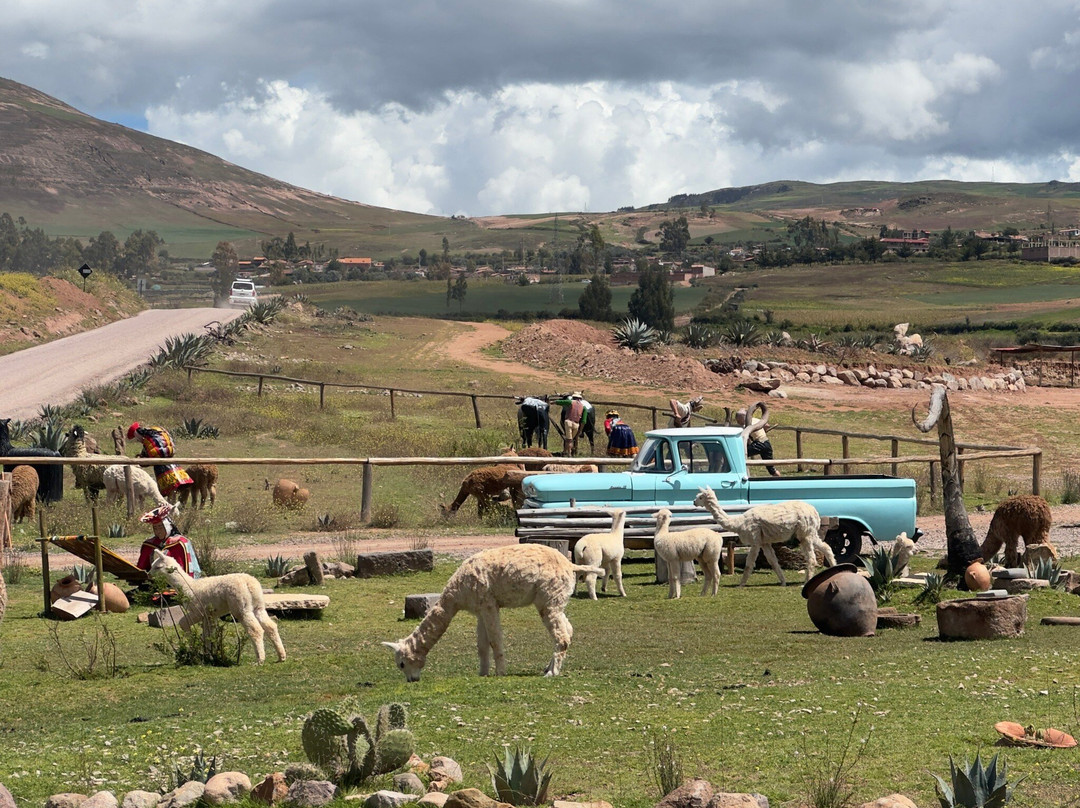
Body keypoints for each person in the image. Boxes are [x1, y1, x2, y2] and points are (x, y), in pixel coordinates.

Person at [126, 422, 194, 496]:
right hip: (171, 459)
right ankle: (172, 500)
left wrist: (142, 459)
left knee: (169, 486)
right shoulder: (156, 430)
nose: (138, 440)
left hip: (161, 466)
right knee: (175, 484)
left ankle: (169, 503)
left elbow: (151, 454)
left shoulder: (147, 438)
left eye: (136, 438)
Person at [136, 504, 201, 577]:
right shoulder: (149, 545)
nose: (158, 531)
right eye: (155, 528)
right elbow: (141, 568)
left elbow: (188, 569)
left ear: (167, 526)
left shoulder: (180, 543)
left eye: (160, 527)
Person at [735, 408, 780, 477]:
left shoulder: (747, 425)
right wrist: (762, 431)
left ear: (743, 417)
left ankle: (743, 474)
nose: (737, 421)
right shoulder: (755, 420)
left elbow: (746, 439)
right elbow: (767, 425)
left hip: (759, 444)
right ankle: (779, 478)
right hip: (766, 443)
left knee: (741, 455)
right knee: (771, 469)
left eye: (738, 419)